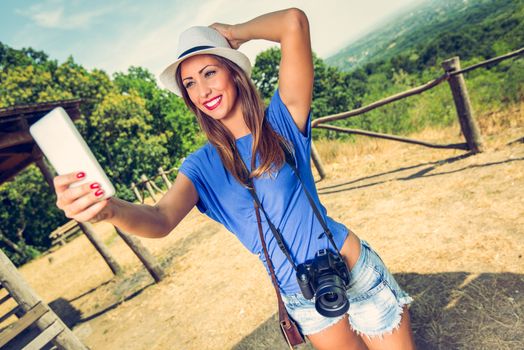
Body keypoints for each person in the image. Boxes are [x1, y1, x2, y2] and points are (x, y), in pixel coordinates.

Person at [53, 8, 416, 350]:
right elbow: (159, 220)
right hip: (303, 294)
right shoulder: (199, 167)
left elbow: (293, 22)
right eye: (190, 83)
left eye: (210, 72)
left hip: (351, 265)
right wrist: (108, 210)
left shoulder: (281, 122)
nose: (203, 91)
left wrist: (231, 34)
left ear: (233, 72)